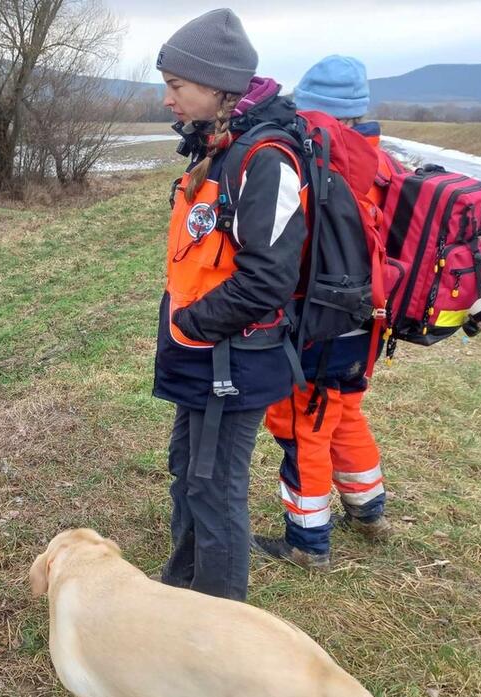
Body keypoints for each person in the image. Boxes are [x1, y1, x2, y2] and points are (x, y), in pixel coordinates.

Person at [153, 8, 307, 601]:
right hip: (204, 353)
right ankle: (180, 589)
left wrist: (190, 324)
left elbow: (267, 279)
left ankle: (219, 625)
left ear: (218, 88)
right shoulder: (218, 145)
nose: (167, 99)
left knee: (216, 490)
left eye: (176, 86)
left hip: (234, 359)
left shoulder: (264, 158)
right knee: (189, 476)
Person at [252, 56, 394, 571]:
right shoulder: (380, 163)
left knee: (303, 424)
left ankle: (307, 543)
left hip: (322, 323)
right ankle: (368, 510)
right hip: (368, 323)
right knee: (344, 412)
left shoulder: (318, 160)